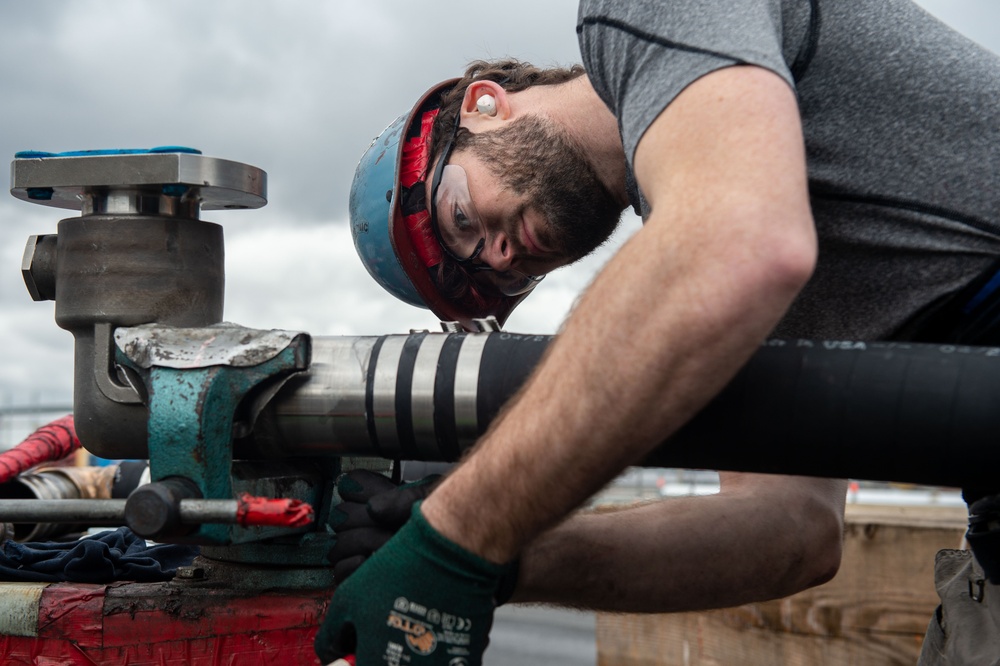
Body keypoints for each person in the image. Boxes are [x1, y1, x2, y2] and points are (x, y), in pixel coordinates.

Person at [318, 1, 1000, 664]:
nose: (497, 259)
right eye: (491, 284)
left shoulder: (641, 16)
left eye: (462, 218)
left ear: (484, 104)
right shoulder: (736, 195)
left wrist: (455, 532)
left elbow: (737, 246)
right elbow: (794, 528)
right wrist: (509, 558)